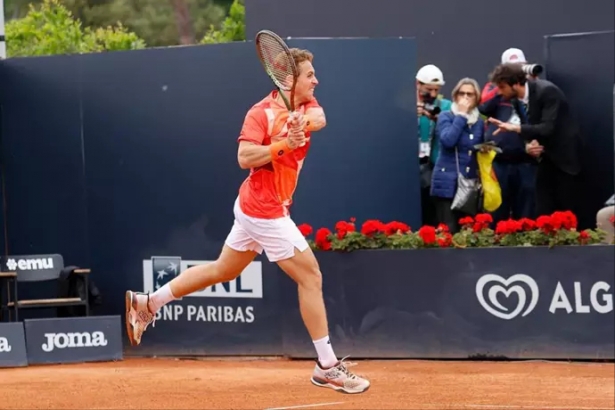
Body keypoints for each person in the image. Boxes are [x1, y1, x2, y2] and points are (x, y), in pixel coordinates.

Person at [124, 48, 370, 394]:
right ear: (290, 79)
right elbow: (244, 157)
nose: (317, 80)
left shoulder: (305, 107)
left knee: (223, 270)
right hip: (263, 209)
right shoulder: (259, 113)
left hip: (259, 205)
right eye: (310, 75)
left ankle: (148, 302)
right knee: (311, 276)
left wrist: (299, 124)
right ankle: (327, 366)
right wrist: (282, 143)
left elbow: (320, 118)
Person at [487, 63, 583, 217]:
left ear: (516, 84)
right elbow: (530, 128)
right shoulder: (516, 100)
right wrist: (529, 144)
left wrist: (514, 128)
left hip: (565, 159)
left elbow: (547, 128)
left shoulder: (547, 91)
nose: (499, 91)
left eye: (502, 86)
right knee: (542, 209)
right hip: (544, 159)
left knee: (567, 210)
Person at [479, 49, 537, 225]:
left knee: (526, 211)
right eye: (512, 68)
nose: (516, 72)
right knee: (497, 209)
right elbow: (483, 106)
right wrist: (502, 86)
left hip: (526, 159)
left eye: (520, 67)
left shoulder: (532, 88)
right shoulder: (494, 88)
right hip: (500, 158)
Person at [430, 77, 485, 232]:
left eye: (470, 94)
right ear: (455, 96)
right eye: (462, 93)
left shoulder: (478, 122)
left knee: (467, 230)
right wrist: (461, 116)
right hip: (447, 183)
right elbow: (448, 140)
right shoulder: (446, 116)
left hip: (468, 185)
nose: (465, 97)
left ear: (476, 98)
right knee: (449, 229)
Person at [416, 64, 452, 226]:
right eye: (429, 89)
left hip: (434, 165)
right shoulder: (405, 103)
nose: (433, 94)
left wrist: (435, 118)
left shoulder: (444, 106)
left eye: (437, 90)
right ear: (418, 84)